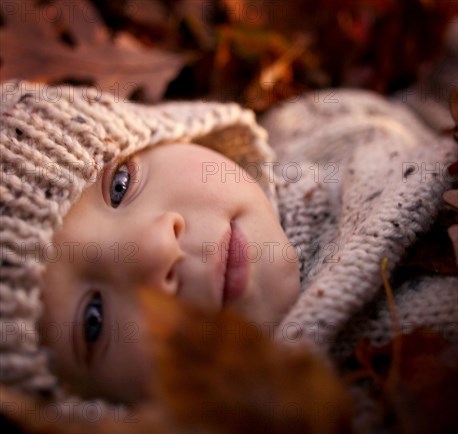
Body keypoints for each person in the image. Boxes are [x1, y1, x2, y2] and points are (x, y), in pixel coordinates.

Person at [1, 79, 456, 405]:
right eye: (93, 321)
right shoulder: (347, 418)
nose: (158, 248)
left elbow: (419, 104)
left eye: (119, 185)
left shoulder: (308, 125)